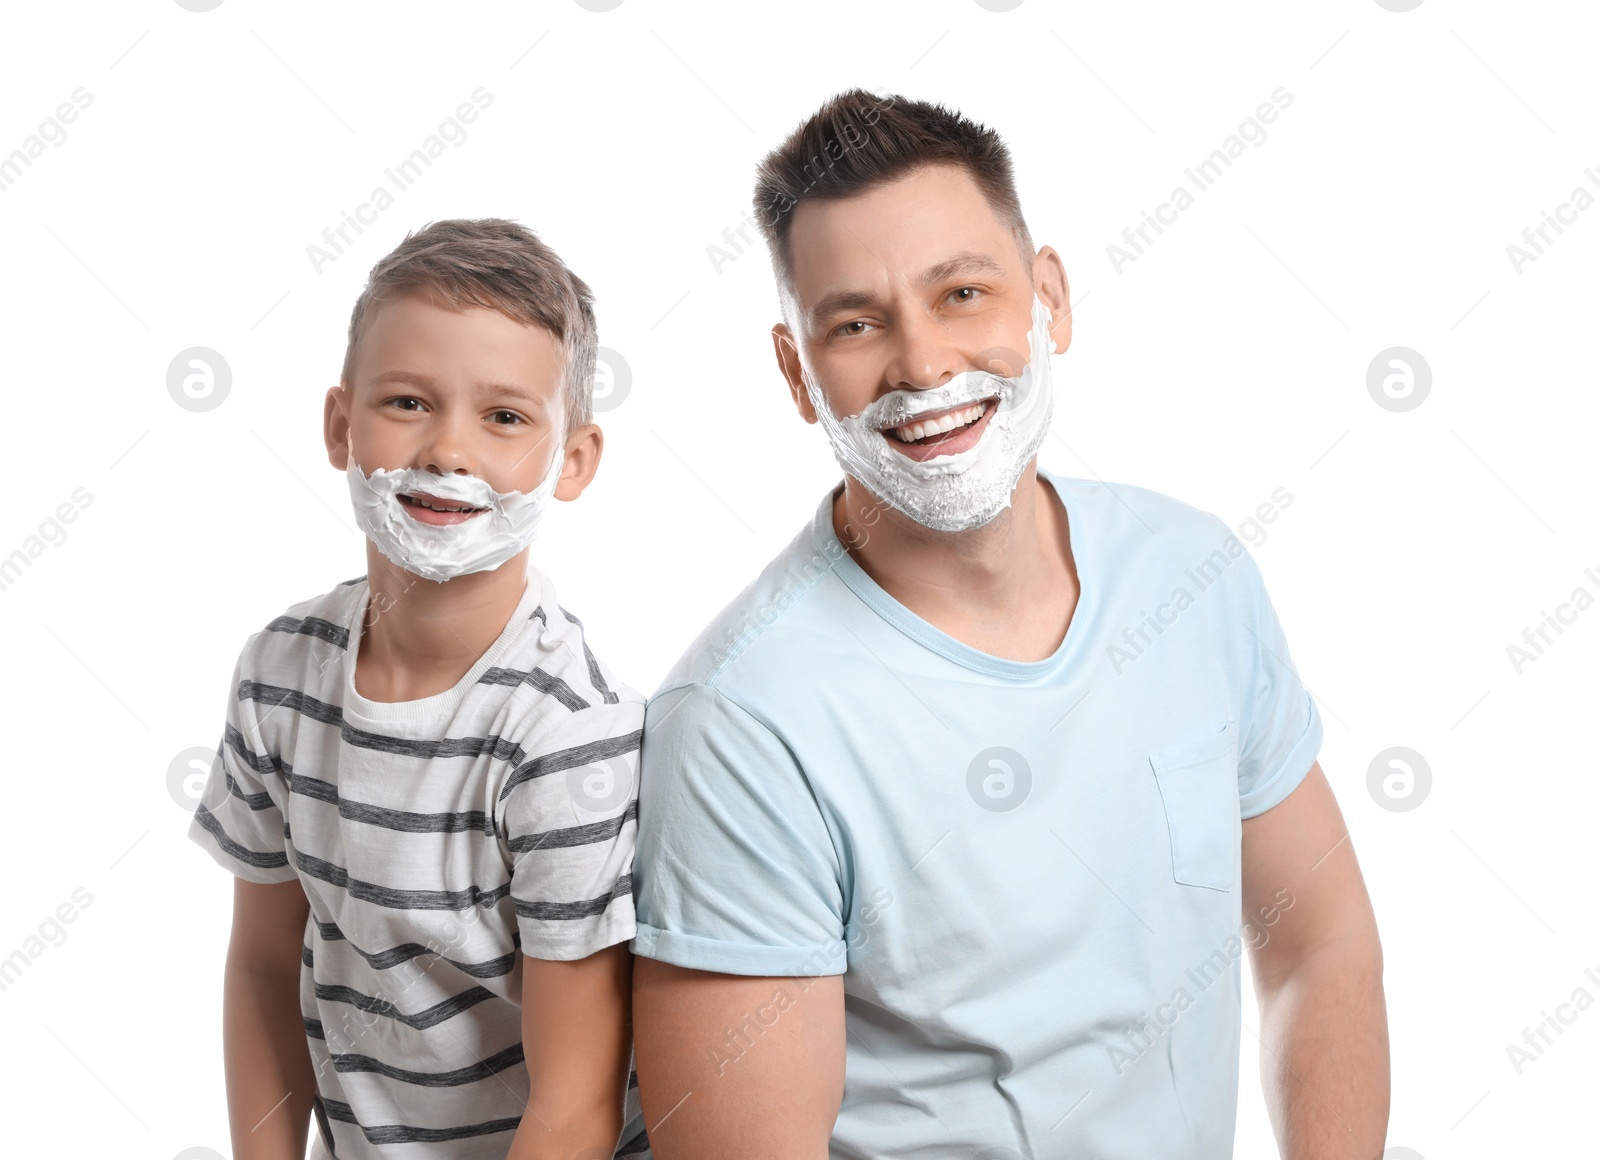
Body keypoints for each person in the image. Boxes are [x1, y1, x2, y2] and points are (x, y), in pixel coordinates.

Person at [629, 91, 1388, 1158]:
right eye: (855, 323)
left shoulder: (1193, 574)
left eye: (962, 293)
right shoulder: (742, 721)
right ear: (798, 375)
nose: (925, 365)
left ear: (1049, 299)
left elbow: (1320, 941)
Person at [187, 219, 650, 1160]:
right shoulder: (279, 676)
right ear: (339, 424)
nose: (448, 451)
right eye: (406, 401)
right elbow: (264, 967)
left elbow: (575, 1102)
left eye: (506, 417)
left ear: (573, 461)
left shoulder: (567, 737)